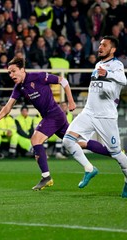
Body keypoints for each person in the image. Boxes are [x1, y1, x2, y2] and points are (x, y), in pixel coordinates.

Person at [0, 56, 76, 190]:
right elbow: (8, 106)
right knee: (78, 142)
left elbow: (63, 81)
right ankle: (113, 151)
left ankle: (46, 177)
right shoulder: (19, 87)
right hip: (52, 116)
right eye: (9, 72)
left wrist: (70, 101)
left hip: (54, 114)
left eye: (13, 71)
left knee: (35, 140)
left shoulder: (39, 76)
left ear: (22, 69)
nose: (11, 75)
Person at [63, 36, 127, 198]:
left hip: (105, 116)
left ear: (112, 50)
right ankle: (89, 169)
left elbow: (123, 80)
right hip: (89, 112)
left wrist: (108, 73)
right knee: (68, 141)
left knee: (116, 154)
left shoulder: (117, 65)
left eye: (104, 45)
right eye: (99, 44)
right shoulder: (98, 64)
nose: (100, 47)